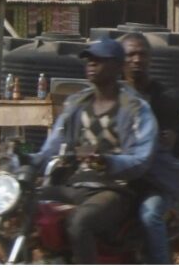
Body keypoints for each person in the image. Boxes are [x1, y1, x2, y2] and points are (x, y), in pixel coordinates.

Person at [30, 36, 157, 264]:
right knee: (19, 209)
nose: (91, 64)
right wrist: (23, 161)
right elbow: (50, 148)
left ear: (118, 66)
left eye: (99, 59)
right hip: (74, 184)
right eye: (89, 59)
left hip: (114, 189)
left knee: (80, 223)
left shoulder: (136, 108)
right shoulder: (75, 104)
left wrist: (108, 161)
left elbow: (141, 159)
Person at [121, 31, 179, 264]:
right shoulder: (113, 96)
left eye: (142, 54)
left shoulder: (166, 98)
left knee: (150, 214)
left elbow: (170, 144)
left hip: (157, 180)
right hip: (119, 175)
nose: (137, 59)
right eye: (130, 54)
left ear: (150, 59)